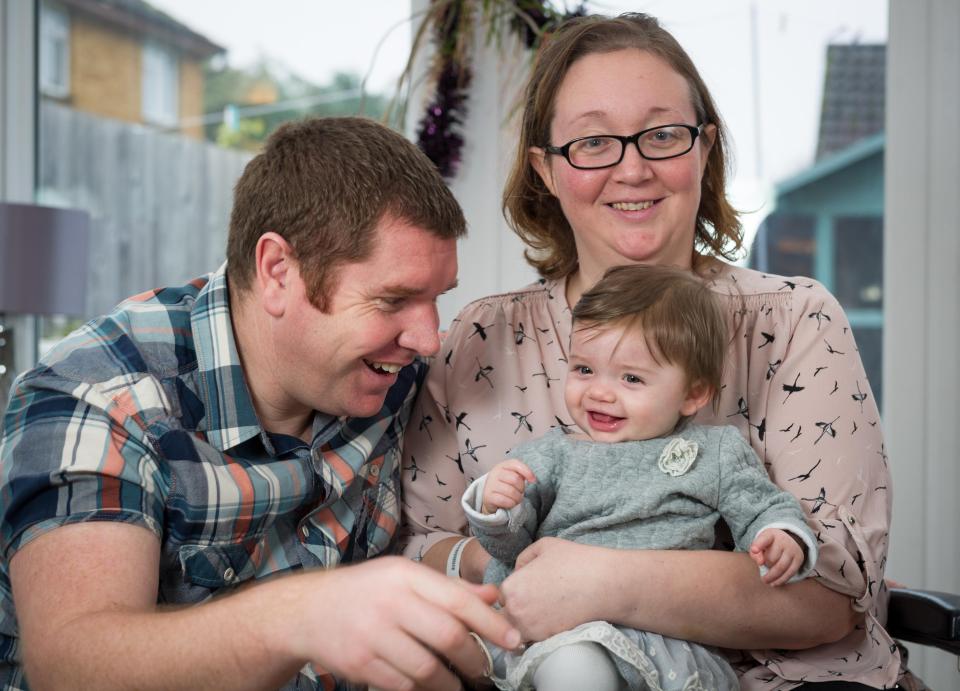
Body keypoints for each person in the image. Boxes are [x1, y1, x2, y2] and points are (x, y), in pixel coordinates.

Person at [401, 13, 917, 691]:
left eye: (664, 134)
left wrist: (598, 581)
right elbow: (415, 552)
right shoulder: (478, 341)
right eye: (591, 142)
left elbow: (832, 591)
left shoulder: (794, 321)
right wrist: (501, 558)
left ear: (704, 148)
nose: (633, 167)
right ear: (546, 171)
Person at [0, 117, 521, 691]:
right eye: (393, 299)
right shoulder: (102, 397)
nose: (427, 339)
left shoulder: (392, 377)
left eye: (435, 299)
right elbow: (70, 663)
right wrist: (297, 614)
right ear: (278, 270)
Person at [463, 264, 818, 691]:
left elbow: (762, 507)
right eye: (584, 370)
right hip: (565, 630)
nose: (600, 392)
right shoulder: (553, 453)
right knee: (573, 668)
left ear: (693, 394)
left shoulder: (715, 452)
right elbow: (512, 551)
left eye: (631, 378)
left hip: (663, 635)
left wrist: (780, 535)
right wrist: (496, 505)